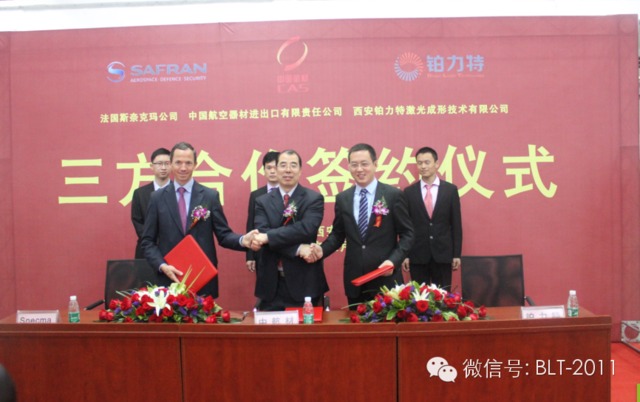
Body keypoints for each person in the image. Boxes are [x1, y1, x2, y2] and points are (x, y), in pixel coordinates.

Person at [140, 141, 256, 298]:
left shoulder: (209, 196)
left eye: (188, 163)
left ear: (195, 164)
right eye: (178, 162)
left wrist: (243, 240)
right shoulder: (157, 198)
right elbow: (147, 241)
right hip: (169, 278)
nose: (183, 168)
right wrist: (162, 266)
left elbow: (224, 235)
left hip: (203, 277)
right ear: (171, 164)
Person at [305, 143, 414, 308]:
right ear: (349, 167)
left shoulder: (393, 195)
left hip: (385, 278)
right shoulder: (343, 198)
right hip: (355, 280)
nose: (359, 169)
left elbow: (408, 234)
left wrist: (393, 261)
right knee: (356, 322)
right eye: (354, 165)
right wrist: (322, 250)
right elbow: (338, 234)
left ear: (375, 164)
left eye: (364, 164)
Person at [250, 150, 328, 311]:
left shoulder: (313, 198)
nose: (288, 170)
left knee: (306, 328)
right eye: (283, 165)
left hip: (305, 283)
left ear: (300, 170)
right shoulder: (261, 201)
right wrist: (298, 249)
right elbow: (261, 233)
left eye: (293, 165)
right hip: (271, 284)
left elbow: (305, 229)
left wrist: (269, 237)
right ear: (276, 169)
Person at [401, 146, 462, 290]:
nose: (423, 166)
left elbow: (456, 224)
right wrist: (405, 254)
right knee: (419, 297)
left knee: (443, 297)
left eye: (427, 162)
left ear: (436, 164)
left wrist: (456, 254)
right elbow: (406, 227)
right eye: (420, 163)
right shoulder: (409, 192)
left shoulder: (450, 190)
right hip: (417, 255)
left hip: (443, 254)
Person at [131, 147, 171, 258]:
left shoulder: (179, 192)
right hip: (147, 250)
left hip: (173, 250)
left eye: (167, 163)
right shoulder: (140, 193)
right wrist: (153, 241)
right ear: (151, 166)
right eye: (159, 163)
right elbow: (138, 222)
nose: (163, 167)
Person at [245, 151, 280, 274]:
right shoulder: (256, 195)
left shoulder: (289, 193)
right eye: (268, 168)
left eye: (275, 167)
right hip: (262, 251)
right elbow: (251, 225)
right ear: (264, 170)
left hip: (286, 250)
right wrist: (250, 255)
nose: (272, 171)